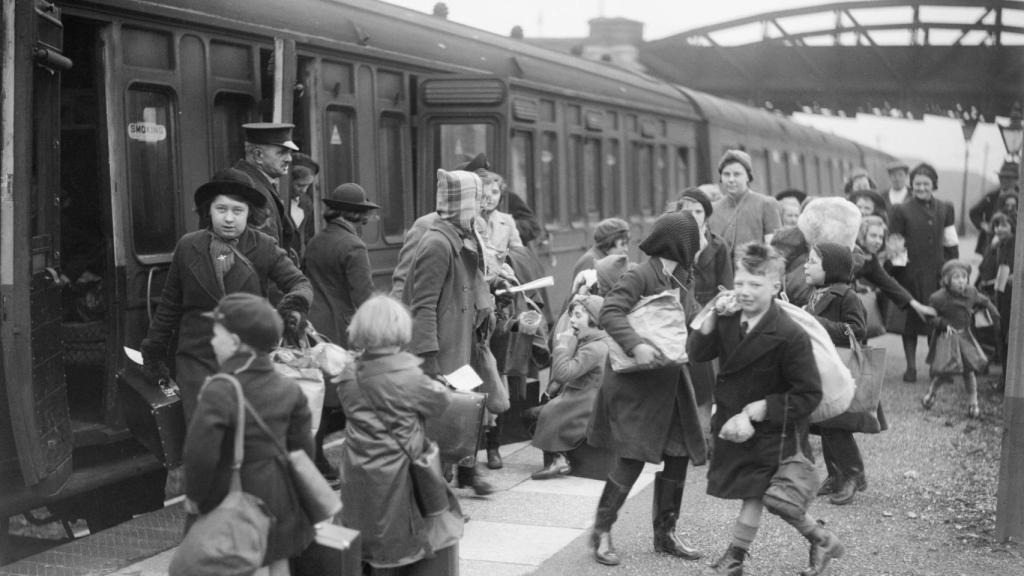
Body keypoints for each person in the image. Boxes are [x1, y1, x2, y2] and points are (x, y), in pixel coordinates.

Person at [689, 242, 844, 576]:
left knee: (763, 496)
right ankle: (820, 538)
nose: (744, 291)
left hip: (775, 430)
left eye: (755, 285)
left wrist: (763, 407)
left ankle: (735, 558)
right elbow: (698, 353)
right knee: (763, 496)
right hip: (733, 423)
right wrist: (712, 315)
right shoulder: (729, 319)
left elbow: (809, 394)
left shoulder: (789, 334)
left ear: (776, 286)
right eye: (740, 283)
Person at [141, 170, 313, 420]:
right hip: (197, 362)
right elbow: (169, 306)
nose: (229, 218)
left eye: (237, 210)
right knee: (207, 438)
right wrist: (154, 353)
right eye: (221, 209)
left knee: (247, 438)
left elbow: (300, 283)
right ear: (208, 211)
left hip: (248, 362)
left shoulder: (263, 246)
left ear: (249, 213)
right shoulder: (188, 247)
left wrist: (294, 307)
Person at [587, 211, 707, 566]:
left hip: (670, 381)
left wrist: (717, 311)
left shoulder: (683, 277)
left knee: (679, 452)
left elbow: (687, 318)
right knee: (631, 456)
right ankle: (602, 532)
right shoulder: (640, 274)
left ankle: (665, 534)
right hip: (637, 384)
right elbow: (610, 312)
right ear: (681, 243)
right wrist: (636, 344)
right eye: (695, 239)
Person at [183, 293, 315, 576]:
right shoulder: (288, 387)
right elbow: (304, 450)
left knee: (243, 561)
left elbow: (200, 455)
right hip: (280, 493)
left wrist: (196, 498)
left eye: (216, 334)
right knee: (279, 560)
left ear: (234, 341)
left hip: (236, 492)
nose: (212, 341)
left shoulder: (220, 390)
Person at [335, 294, 463, 573]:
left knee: (366, 533)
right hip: (399, 472)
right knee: (400, 540)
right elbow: (439, 403)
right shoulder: (407, 378)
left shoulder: (349, 374)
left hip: (357, 469)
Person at [404, 168, 496, 495]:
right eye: (476, 198)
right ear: (463, 203)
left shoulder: (456, 235)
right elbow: (423, 304)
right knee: (442, 417)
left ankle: (465, 474)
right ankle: (437, 494)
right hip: (442, 346)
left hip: (458, 339)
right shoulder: (437, 242)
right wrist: (427, 355)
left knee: (464, 406)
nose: (481, 205)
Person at [803, 242, 868, 506]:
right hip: (821, 367)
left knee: (837, 425)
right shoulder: (817, 293)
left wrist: (816, 322)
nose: (806, 266)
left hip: (840, 369)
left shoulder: (846, 296)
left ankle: (853, 474)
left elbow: (857, 329)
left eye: (812, 262)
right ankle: (835, 474)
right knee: (824, 423)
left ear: (831, 268)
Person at [890, 163, 959, 382]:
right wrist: (898, 272)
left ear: (933, 185)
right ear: (912, 185)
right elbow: (895, 243)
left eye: (926, 183)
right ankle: (911, 368)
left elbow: (951, 242)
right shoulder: (900, 210)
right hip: (910, 273)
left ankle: (936, 368)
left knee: (936, 323)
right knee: (909, 324)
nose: (921, 187)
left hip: (938, 273)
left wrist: (954, 269)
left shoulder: (945, 208)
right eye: (917, 183)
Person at [531, 294, 609, 480]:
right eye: (572, 315)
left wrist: (562, 346)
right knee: (535, 414)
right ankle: (559, 456)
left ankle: (558, 458)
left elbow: (562, 374)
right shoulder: (596, 341)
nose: (572, 320)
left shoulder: (595, 348)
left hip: (583, 405)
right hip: (582, 399)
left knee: (542, 414)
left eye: (578, 316)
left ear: (595, 318)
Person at [921, 261, 999, 419]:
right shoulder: (938, 298)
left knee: (969, 372)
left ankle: (973, 404)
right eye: (956, 277)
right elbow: (929, 316)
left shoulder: (971, 292)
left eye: (964, 277)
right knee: (944, 373)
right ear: (947, 280)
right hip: (948, 339)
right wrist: (942, 324)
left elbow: (984, 301)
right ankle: (931, 394)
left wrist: (994, 313)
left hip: (965, 338)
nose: (961, 281)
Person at [304, 183, 378, 347]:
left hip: (311, 325)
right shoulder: (354, 245)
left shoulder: (315, 241)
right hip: (339, 329)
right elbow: (364, 296)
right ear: (357, 214)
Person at [232, 123, 301, 262]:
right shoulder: (252, 189)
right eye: (282, 152)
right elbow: (265, 255)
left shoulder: (253, 181)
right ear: (258, 155)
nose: (289, 158)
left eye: (289, 152)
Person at [707, 149, 782, 254]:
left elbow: (774, 250)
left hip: (754, 269)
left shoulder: (766, 204)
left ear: (748, 177)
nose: (731, 179)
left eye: (737, 174)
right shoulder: (712, 209)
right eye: (726, 174)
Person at [673, 187, 733, 306]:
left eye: (698, 212)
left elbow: (726, 288)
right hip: (678, 309)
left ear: (706, 215)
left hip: (710, 310)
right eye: (688, 212)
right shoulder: (670, 243)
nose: (693, 216)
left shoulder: (719, 245)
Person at [968, 161, 1020, 255]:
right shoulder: (992, 196)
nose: (1004, 180)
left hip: (1014, 246)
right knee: (987, 267)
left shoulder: (1021, 197)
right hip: (990, 244)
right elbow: (973, 213)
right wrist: (984, 225)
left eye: (1008, 178)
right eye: (1001, 177)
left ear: (1016, 179)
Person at [288, 153, 320, 257]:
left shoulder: (306, 203)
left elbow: (308, 235)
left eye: (308, 186)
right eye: (300, 185)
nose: (304, 190)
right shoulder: (279, 201)